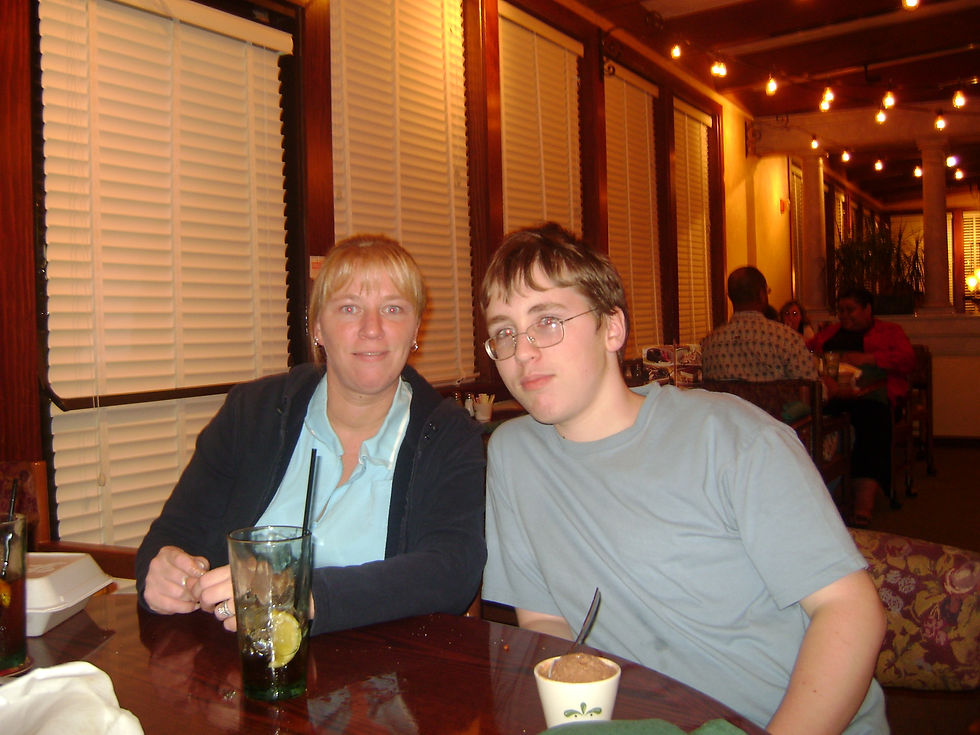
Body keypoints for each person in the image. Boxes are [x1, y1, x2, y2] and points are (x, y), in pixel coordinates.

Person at [480, 222, 887, 735]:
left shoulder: (732, 437)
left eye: (548, 321)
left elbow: (849, 609)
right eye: (504, 332)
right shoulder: (513, 455)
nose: (522, 351)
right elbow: (545, 620)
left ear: (612, 328)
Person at [136, 234, 486, 635]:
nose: (372, 329)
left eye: (393, 309)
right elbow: (174, 534)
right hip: (240, 658)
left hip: (383, 664)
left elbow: (452, 570)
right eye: (349, 308)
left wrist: (302, 593)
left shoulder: (449, 434)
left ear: (415, 328)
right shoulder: (251, 413)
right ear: (317, 326)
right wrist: (162, 572)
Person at [808, 286, 915, 526]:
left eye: (850, 310)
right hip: (835, 396)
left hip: (874, 398)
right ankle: (819, 493)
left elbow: (908, 360)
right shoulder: (829, 333)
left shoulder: (890, 331)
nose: (844, 316)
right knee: (810, 418)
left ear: (868, 309)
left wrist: (870, 359)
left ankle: (863, 502)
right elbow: (806, 352)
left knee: (872, 422)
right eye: (841, 310)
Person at [701, 266, 818, 382]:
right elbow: (810, 385)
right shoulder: (787, 339)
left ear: (730, 297)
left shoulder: (708, 345)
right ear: (762, 295)